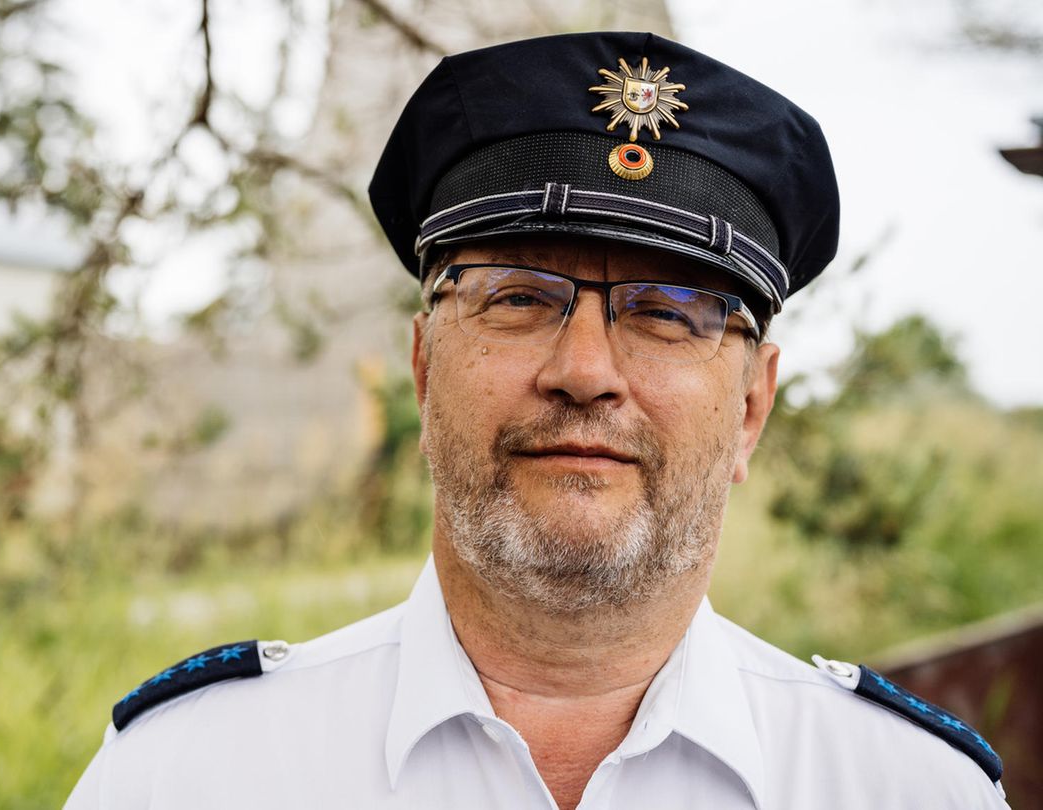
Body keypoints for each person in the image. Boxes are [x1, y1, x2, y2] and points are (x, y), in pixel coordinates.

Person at [62, 31, 1009, 809]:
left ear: (752, 408)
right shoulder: (186, 776)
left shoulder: (907, 791)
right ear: (427, 371)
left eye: (666, 311)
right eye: (518, 297)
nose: (585, 372)